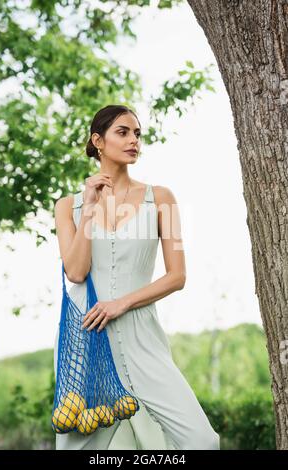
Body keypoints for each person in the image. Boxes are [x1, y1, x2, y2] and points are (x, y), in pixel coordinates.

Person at [53, 104, 220, 450]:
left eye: (137, 134)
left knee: (200, 440)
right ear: (97, 141)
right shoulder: (68, 206)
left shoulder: (162, 199)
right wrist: (89, 211)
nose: (134, 141)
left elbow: (177, 276)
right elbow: (76, 271)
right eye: (123, 132)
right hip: (88, 342)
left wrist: (121, 303)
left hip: (143, 336)